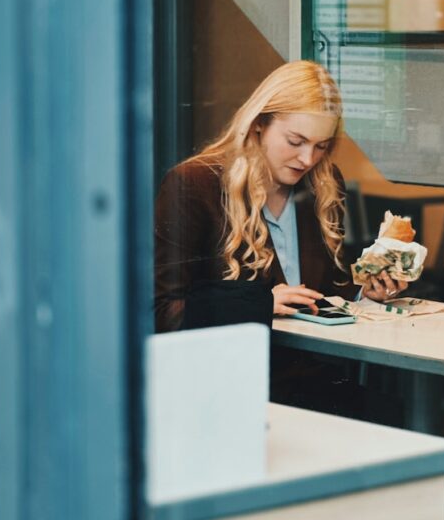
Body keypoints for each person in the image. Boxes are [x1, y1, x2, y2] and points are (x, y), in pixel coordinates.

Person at [154, 61, 407, 416]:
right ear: (259, 124)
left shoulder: (322, 181)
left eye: (321, 146)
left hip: (303, 376)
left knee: (392, 416)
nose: (307, 159)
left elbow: (325, 289)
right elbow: (162, 312)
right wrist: (257, 304)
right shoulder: (194, 184)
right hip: (225, 386)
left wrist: (367, 293)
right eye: (295, 141)